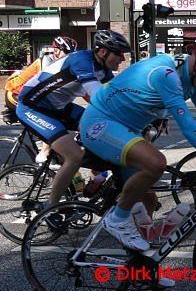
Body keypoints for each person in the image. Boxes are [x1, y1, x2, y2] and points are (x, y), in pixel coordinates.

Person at [80, 31, 196, 252]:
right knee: (155, 163)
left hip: (128, 129)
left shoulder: (190, 79)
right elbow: (190, 128)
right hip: (100, 124)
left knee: (148, 202)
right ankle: (116, 219)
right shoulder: (166, 74)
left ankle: (142, 270)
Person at [15, 30, 131, 211]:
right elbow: (97, 97)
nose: (122, 58)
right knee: (74, 156)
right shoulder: (81, 61)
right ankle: (50, 207)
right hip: (33, 108)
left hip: (59, 107)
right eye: (119, 53)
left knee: (103, 131)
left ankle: (95, 179)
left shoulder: (104, 69)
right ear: (103, 52)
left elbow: (115, 95)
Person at [4, 36, 78, 163]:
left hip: (35, 97)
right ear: (56, 51)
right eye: (67, 54)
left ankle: (54, 154)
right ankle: (43, 155)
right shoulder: (45, 63)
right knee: (51, 117)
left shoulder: (64, 64)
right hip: (15, 94)